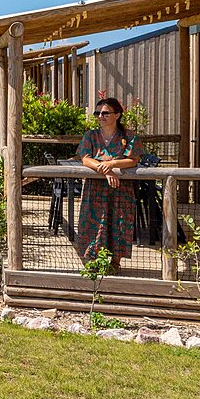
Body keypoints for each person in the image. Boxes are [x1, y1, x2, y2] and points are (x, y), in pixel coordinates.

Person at [75, 97, 140, 272]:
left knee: (118, 222)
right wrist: (106, 170)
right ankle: (92, 260)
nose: (100, 116)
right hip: (95, 188)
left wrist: (112, 164)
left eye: (105, 113)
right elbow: (85, 159)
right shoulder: (90, 136)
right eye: (98, 113)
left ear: (117, 115)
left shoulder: (129, 136)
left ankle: (115, 263)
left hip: (120, 189)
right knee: (93, 222)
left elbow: (133, 160)